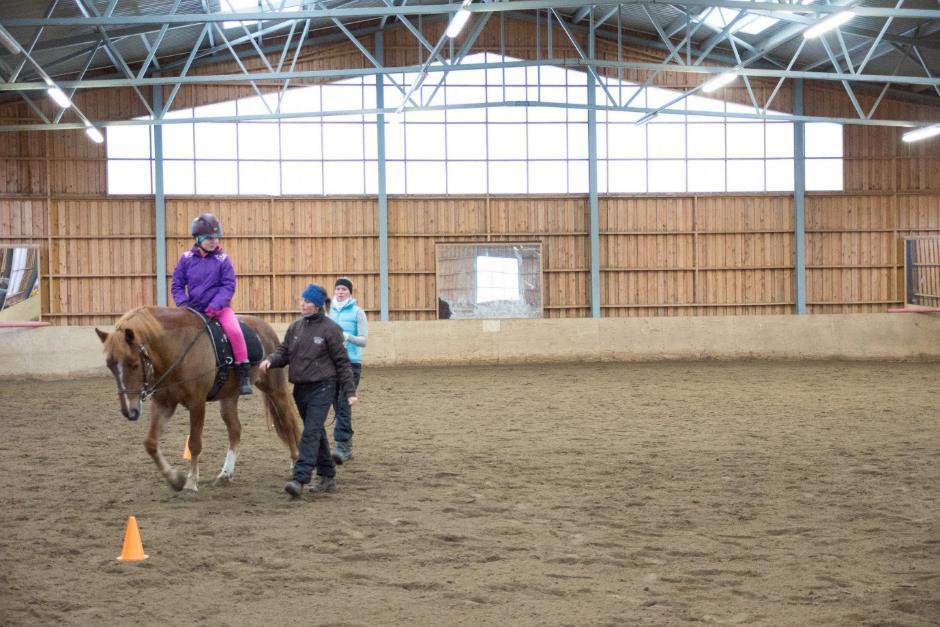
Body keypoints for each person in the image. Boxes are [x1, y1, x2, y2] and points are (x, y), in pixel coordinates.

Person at [259, 283, 358, 498]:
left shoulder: (331, 329)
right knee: (317, 432)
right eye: (302, 300)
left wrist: (349, 392)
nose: (302, 304)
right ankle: (327, 475)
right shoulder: (296, 327)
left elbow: (342, 363)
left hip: (324, 387)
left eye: (307, 301)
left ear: (318, 305)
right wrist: (270, 360)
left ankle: (299, 478)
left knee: (310, 432)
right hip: (301, 388)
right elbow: (284, 352)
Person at [171, 213, 252, 395]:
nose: (213, 241)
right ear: (198, 238)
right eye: (209, 238)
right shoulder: (185, 259)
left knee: (235, 331)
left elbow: (228, 285)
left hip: (219, 309)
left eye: (216, 237)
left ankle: (243, 372)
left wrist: (216, 305)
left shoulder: (223, 259)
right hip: (191, 310)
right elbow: (177, 284)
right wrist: (183, 304)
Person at [327, 277, 368, 464]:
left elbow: (364, 340)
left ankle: (342, 446)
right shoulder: (328, 313)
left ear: (349, 292)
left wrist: (347, 336)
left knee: (344, 403)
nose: (340, 292)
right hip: (331, 363)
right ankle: (347, 446)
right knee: (337, 403)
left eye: (344, 289)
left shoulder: (358, 313)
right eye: (338, 289)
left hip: (351, 363)